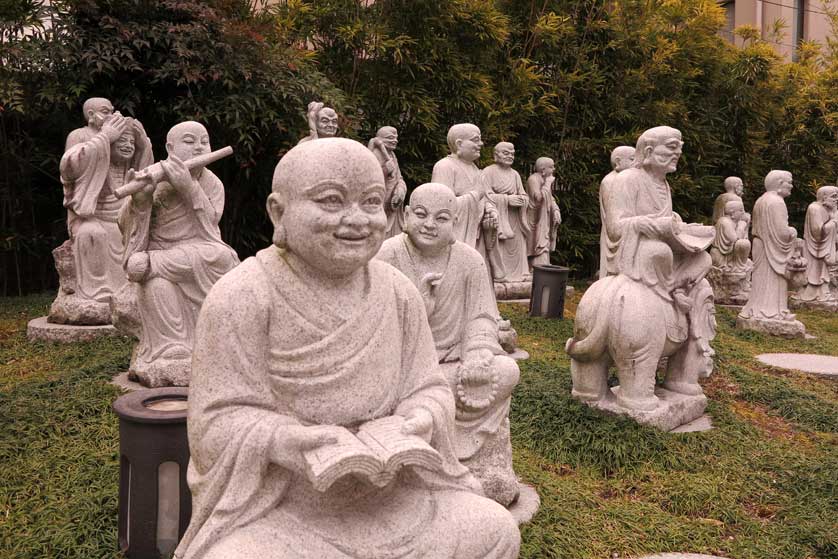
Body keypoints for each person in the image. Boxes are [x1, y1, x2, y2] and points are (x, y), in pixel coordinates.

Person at [173, 138, 520, 559]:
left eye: (372, 203)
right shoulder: (243, 295)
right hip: (290, 513)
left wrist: (420, 418)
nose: (357, 219)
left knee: (496, 530)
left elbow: (429, 387)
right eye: (331, 201)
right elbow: (214, 424)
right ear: (278, 212)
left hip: (396, 499)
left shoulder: (397, 291)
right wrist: (285, 440)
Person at [377, 182, 521, 506]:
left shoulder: (469, 261)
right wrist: (419, 306)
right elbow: (374, 325)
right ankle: (422, 465)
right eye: (422, 215)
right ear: (405, 215)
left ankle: (476, 462)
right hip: (405, 368)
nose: (430, 224)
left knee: (507, 371)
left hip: (454, 364)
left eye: (442, 218)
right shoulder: (388, 255)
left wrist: (477, 355)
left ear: (454, 224)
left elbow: (482, 316)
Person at [118, 121, 239, 386]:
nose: (199, 147)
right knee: (153, 282)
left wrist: (188, 187)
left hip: (200, 250)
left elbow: (210, 226)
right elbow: (127, 225)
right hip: (163, 251)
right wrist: (141, 201)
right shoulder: (156, 178)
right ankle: (171, 347)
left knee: (224, 258)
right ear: (170, 148)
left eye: (204, 141)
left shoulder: (212, 183)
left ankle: (155, 265)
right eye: (189, 141)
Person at [53, 108, 153, 324]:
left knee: (141, 233)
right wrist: (104, 138)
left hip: (125, 218)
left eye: (131, 143)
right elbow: (68, 168)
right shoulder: (85, 141)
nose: (127, 146)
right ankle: (97, 293)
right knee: (91, 232)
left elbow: (147, 178)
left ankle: (132, 291)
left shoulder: (131, 166)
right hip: (95, 218)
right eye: (121, 142)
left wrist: (144, 145)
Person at [602, 127, 713, 307]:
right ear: (648, 151)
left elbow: (664, 218)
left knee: (704, 259)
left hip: (662, 245)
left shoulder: (664, 184)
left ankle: (676, 289)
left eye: (679, 148)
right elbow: (614, 227)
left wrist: (683, 227)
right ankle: (664, 295)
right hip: (637, 249)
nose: (678, 153)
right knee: (659, 252)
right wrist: (647, 223)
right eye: (671, 147)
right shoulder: (628, 179)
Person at [739, 170, 798, 321]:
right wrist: (792, 231)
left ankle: (757, 308)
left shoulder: (762, 199)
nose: (791, 186)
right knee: (772, 279)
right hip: (770, 246)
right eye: (789, 182)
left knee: (761, 278)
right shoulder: (777, 202)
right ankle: (771, 311)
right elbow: (782, 233)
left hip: (760, 243)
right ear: (779, 183)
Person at [431, 123, 498, 252]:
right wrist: (475, 196)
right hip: (456, 236)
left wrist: (490, 210)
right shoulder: (445, 166)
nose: (481, 144)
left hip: (476, 235)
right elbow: (441, 205)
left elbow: (485, 199)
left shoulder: (476, 170)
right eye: (475, 140)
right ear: (459, 144)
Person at [482, 142, 531, 283]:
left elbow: (523, 194)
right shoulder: (488, 172)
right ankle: (501, 275)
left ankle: (520, 273)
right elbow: (485, 196)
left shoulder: (515, 174)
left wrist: (522, 200)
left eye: (512, 153)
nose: (510, 156)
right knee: (500, 247)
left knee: (517, 245)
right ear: (496, 155)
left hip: (515, 218)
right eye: (506, 153)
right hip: (499, 218)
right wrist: (506, 199)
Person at [796, 185, 838, 302]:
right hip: (815, 247)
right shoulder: (814, 208)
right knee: (815, 271)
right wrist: (835, 220)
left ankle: (824, 291)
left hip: (823, 246)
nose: (836, 199)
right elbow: (818, 233)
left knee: (824, 271)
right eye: (834, 196)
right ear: (824, 197)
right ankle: (813, 292)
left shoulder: (829, 210)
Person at [598, 146, 635, 278]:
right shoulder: (609, 181)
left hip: (628, 230)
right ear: (618, 162)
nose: (636, 162)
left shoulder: (628, 180)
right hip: (614, 234)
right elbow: (613, 213)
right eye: (632, 159)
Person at [368, 126, 407, 238]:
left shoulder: (392, 155)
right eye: (390, 138)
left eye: (396, 138)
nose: (395, 140)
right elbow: (369, 179)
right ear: (380, 139)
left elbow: (399, 177)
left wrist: (400, 189)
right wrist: (385, 170)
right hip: (381, 203)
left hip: (392, 203)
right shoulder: (376, 154)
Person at [525, 157, 562, 269]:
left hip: (544, 218)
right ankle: (535, 267)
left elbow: (550, 198)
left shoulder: (545, 180)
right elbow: (538, 198)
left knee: (544, 243)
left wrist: (555, 210)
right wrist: (548, 184)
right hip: (534, 218)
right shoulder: (533, 179)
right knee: (536, 244)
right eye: (551, 167)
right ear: (543, 169)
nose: (554, 169)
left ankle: (544, 266)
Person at [711, 199, 751, 272]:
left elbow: (744, 238)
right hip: (720, 257)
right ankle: (739, 268)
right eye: (741, 210)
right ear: (732, 213)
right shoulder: (725, 222)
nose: (743, 213)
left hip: (729, 255)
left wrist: (746, 225)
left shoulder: (733, 222)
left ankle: (740, 267)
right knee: (743, 243)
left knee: (748, 262)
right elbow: (736, 240)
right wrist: (741, 227)